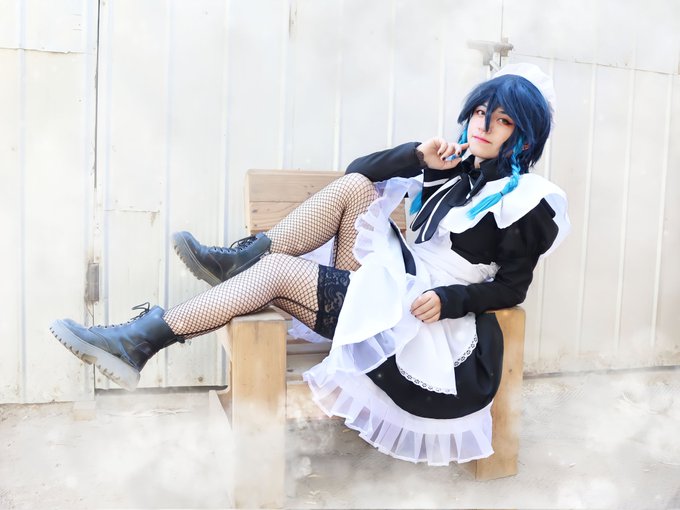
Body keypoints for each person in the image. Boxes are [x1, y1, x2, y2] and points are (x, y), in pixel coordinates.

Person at [50, 63, 569, 466]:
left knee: (276, 275)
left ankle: (144, 337)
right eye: (481, 112)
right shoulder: (455, 168)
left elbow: (512, 288)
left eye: (503, 120)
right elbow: (357, 173)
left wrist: (452, 300)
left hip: (423, 320)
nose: (485, 126)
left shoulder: (528, 200)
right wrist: (418, 156)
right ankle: (236, 263)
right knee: (356, 187)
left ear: (524, 135)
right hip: (397, 281)